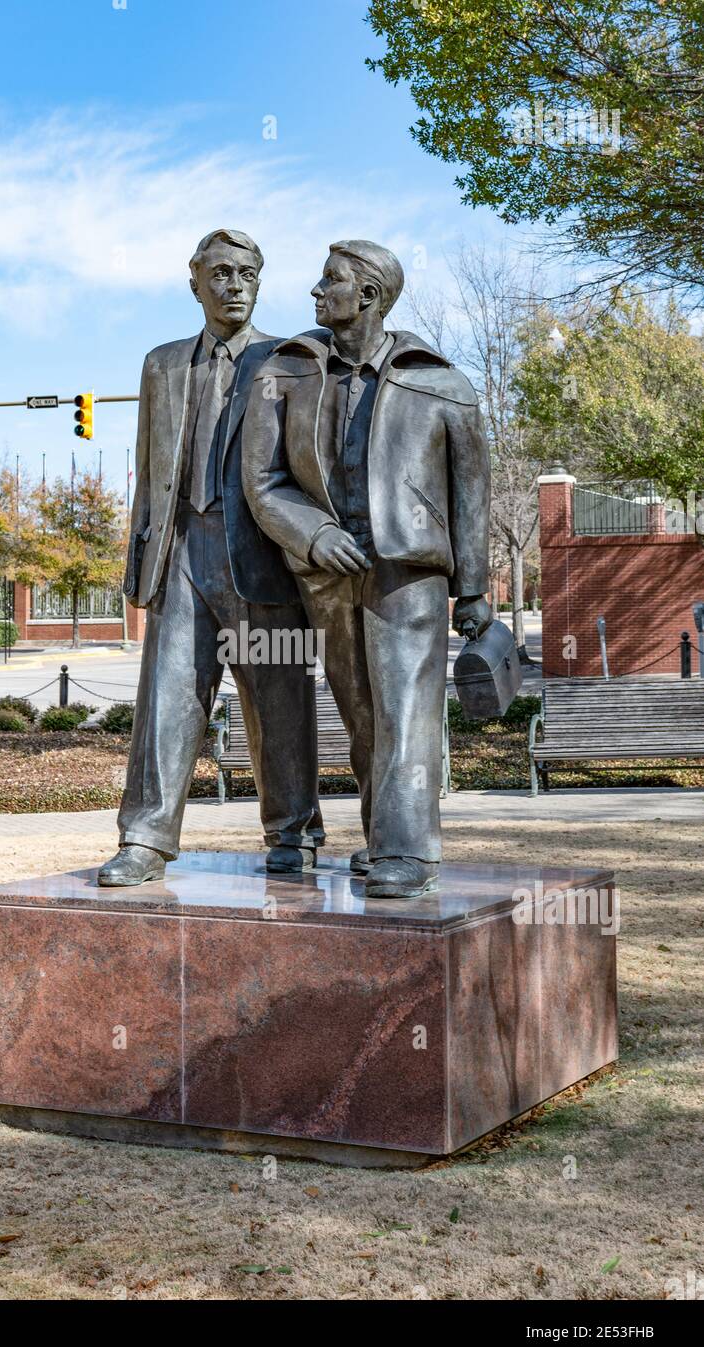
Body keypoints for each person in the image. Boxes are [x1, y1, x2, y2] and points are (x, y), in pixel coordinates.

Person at [242, 239, 491, 897]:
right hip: (326, 571)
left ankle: (407, 849)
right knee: (362, 713)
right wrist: (314, 533)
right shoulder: (286, 373)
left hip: (410, 571)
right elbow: (262, 480)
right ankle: (386, 838)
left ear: (369, 295)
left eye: (330, 281)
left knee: (406, 708)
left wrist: (474, 591)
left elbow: (472, 493)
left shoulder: (440, 383)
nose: (316, 292)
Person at [99, 229, 323, 887]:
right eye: (221, 273)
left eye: (247, 274)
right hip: (181, 555)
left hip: (260, 555)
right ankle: (144, 838)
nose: (235, 285)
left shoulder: (288, 360)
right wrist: (142, 561)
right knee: (167, 697)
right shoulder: (162, 364)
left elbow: (309, 468)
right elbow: (149, 470)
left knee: (278, 701)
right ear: (194, 281)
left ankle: (293, 836)